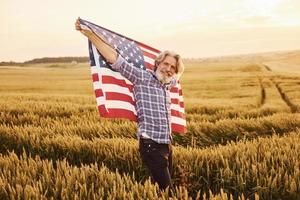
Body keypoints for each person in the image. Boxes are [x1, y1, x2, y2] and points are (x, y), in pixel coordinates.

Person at [75, 18, 184, 193]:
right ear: (157, 63)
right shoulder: (142, 77)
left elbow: (176, 76)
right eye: (165, 64)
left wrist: (175, 72)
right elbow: (114, 58)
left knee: (161, 191)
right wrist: (89, 33)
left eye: (173, 67)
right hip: (151, 144)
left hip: (167, 144)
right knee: (169, 192)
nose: (169, 69)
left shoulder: (167, 84)